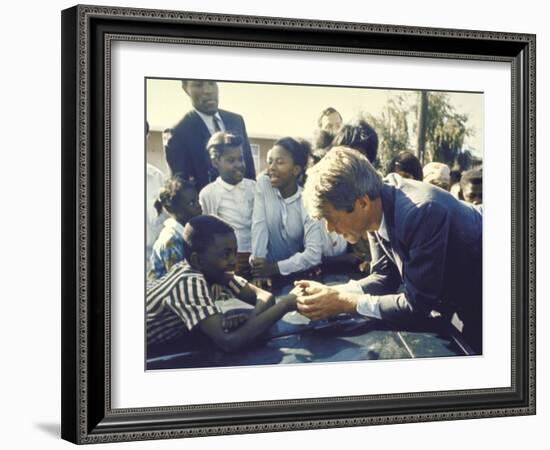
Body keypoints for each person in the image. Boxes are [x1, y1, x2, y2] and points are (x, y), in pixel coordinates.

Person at [296, 147, 483, 353]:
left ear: (362, 203)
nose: (329, 228)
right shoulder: (377, 203)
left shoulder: (420, 212)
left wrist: (344, 303)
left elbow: (416, 306)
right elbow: (384, 277)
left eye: (331, 219)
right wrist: (333, 293)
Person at [146, 215, 299, 356]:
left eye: (234, 252)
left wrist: (249, 320)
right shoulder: (188, 282)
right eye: (226, 254)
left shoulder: (215, 271)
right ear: (198, 261)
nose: (233, 260)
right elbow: (229, 342)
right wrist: (285, 304)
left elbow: (265, 296)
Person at [250, 137, 322, 291]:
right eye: (270, 161)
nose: (271, 168)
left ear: (296, 170)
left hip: (296, 277)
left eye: (280, 162)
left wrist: (273, 268)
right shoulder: (264, 185)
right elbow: (259, 226)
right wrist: (259, 268)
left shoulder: (307, 200)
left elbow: (314, 254)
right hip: (264, 276)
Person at [165, 80, 256, 191]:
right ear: (185, 88)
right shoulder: (178, 132)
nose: (208, 91)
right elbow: (181, 188)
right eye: (199, 85)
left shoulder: (236, 121)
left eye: (212, 83)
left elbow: (250, 173)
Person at [199, 132, 256, 279]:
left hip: (258, 258)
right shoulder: (209, 193)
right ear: (215, 162)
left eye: (241, 159)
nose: (239, 165)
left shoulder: (254, 188)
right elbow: (209, 234)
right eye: (231, 160)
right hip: (230, 262)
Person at [148, 176, 202, 280]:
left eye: (197, 200)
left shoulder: (192, 229)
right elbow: (179, 282)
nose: (199, 206)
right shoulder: (170, 241)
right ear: (171, 208)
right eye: (191, 203)